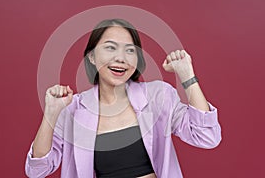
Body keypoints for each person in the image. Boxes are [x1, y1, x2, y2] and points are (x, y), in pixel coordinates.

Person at [25, 19, 221, 178]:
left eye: (129, 50)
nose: (121, 58)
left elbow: (207, 137)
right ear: (91, 57)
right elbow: (37, 171)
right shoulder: (73, 110)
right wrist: (50, 115)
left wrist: (187, 76)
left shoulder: (158, 96)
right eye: (110, 48)